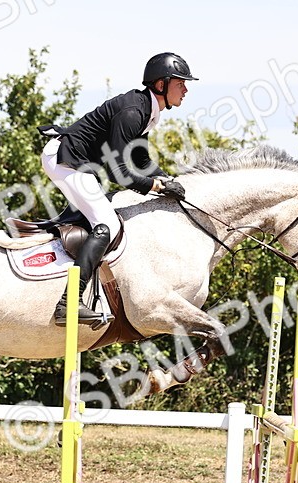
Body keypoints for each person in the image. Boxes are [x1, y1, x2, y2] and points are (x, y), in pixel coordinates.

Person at [40, 52, 197, 325]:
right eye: (180, 83)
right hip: (65, 159)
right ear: (161, 84)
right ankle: (68, 304)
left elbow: (141, 160)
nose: (185, 89)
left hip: (78, 162)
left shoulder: (147, 110)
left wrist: (169, 180)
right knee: (107, 225)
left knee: (101, 217)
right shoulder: (133, 112)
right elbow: (118, 172)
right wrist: (156, 186)